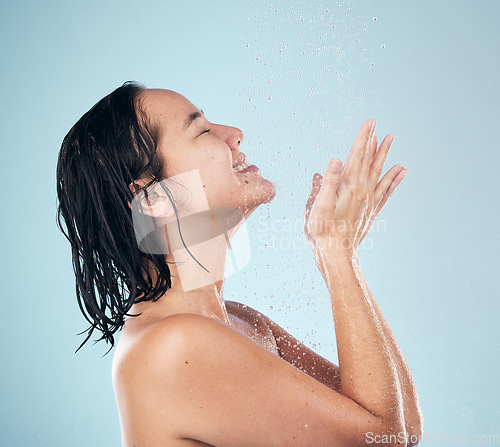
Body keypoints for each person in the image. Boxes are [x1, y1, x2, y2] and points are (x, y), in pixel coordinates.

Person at [56, 81, 423, 446]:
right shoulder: (173, 346)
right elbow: (386, 440)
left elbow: (403, 427)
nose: (234, 134)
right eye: (201, 130)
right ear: (153, 200)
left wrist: (331, 252)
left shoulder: (240, 320)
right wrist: (337, 253)